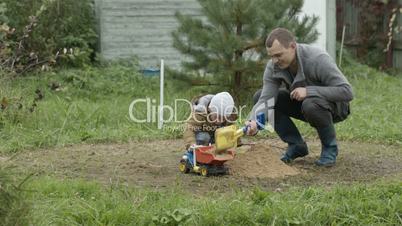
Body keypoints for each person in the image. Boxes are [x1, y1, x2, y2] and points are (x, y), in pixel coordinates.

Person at [246, 28, 353, 167]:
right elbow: (266, 99)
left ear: (292, 46)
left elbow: (346, 92)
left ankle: (329, 148)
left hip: (335, 108)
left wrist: (308, 91)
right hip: (303, 104)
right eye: (271, 56)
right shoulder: (274, 66)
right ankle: (296, 145)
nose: (274, 60)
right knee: (259, 96)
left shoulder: (317, 59)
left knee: (311, 103)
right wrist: (254, 121)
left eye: (278, 55)